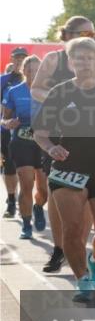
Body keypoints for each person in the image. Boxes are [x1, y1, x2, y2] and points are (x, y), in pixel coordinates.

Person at [31, 38, 95, 301]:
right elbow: (40, 133)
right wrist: (50, 148)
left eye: (89, 58)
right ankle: (82, 281)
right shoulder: (60, 92)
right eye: (79, 58)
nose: (84, 62)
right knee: (72, 228)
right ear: (71, 62)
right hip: (69, 166)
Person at [31, 16, 95, 273]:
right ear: (67, 35)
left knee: (88, 193)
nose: (90, 37)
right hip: (58, 133)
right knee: (58, 193)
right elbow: (36, 89)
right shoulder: (54, 59)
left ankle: (79, 245)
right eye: (84, 33)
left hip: (93, 135)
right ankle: (60, 248)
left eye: (93, 33)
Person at [2, 55, 48, 238]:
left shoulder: (49, 91)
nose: (33, 73)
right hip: (21, 141)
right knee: (27, 183)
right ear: (24, 71)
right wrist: (8, 122)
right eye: (30, 70)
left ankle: (38, 207)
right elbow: (4, 118)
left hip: (44, 142)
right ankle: (26, 224)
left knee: (43, 189)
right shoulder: (14, 91)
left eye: (37, 70)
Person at [1, 47, 29, 218]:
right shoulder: (4, 80)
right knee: (10, 166)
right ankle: (11, 201)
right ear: (12, 59)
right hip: (7, 130)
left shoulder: (37, 79)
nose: (20, 61)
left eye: (23, 58)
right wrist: (6, 120)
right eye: (17, 58)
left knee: (29, 169)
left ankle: (30, 201)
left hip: (32, 130)